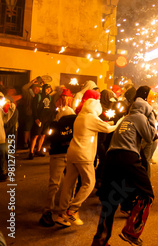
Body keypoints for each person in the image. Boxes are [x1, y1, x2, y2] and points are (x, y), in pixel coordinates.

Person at [91, 94, 156, 246]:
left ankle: (100, 240)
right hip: (127, 157)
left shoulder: (125, 118)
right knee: (147, 193)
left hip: (111, 158)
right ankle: (131, 231)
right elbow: (150, 137)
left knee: (110, 201)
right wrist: (151, 118)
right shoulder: (140, 117)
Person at [55, 90, 120, 227]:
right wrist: (120, 122)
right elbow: (107, 129)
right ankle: (72, 210)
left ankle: (61, 213)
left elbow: (101, 125)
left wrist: (110, 122)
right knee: (89, 182)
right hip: (83, 155)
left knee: (68, 184)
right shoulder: (91, 117)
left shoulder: (81, 116)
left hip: (72, 152)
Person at [38, 89, 76, 227]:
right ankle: (48, 212)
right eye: (64, 98)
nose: (67, 100)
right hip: (59, 153)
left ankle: (64, 211)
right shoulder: (55, 114)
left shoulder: (73, 114)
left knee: (69, 182)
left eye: (68, 98)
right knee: (55, 183)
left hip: (68, 153)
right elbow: (50, 134)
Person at [29, 83, 55, 159]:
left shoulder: (50, 97)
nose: (48, 90)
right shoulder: (38, 96)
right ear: (43, 89)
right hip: (39, 118)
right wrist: (36, 118)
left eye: (49, 89)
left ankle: (38, 150)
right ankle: (31, 152)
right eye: (47, 88)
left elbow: (51, 107)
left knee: (43, 135)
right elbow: (34, 108)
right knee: (35, 135)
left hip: (47, 119)